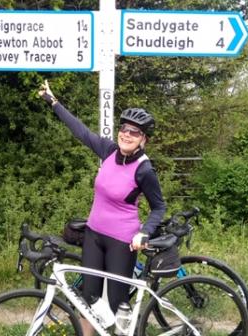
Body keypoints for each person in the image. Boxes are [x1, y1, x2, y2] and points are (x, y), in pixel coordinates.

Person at [38, 80, 166, 335]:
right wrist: (53, 102)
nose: (127, 135)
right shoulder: (108, 150)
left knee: (119, 303)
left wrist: (145, 232)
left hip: (122, 240)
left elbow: (159, 207)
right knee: (89, 296)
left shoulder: (144, 169)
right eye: (125, 129)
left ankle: (119, 330)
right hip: (94, 234)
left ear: (144, 140)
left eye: (135, 132)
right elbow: (81, 131)